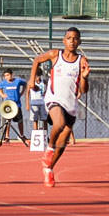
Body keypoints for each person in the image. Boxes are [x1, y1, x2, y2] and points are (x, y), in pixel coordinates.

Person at [28, 27, 90, 188]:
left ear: (80, 42)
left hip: (71, 104)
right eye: (69, 38)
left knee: (62, 144)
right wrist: (31, 79)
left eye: (75, 38)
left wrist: (84, 77)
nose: (72, 41)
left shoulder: (82, 61)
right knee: (59, 123)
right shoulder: (56, 55)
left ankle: (48, 169)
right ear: (64, 40)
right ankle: (49, 149)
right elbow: (36, 60)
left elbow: (84, 90)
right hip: (53, 98)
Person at [0, 68, 27, 143]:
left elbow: (25, 84)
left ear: (11, 74)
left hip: (17, 104)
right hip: (8, 105)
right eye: (5, 76)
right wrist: (2, 94)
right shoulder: (3, 83)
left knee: (20, 120)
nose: (6, 77)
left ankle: (21, 135)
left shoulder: (18, 81)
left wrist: (22, 92)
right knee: (8, 121)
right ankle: (7, 137)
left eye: (7, 75)